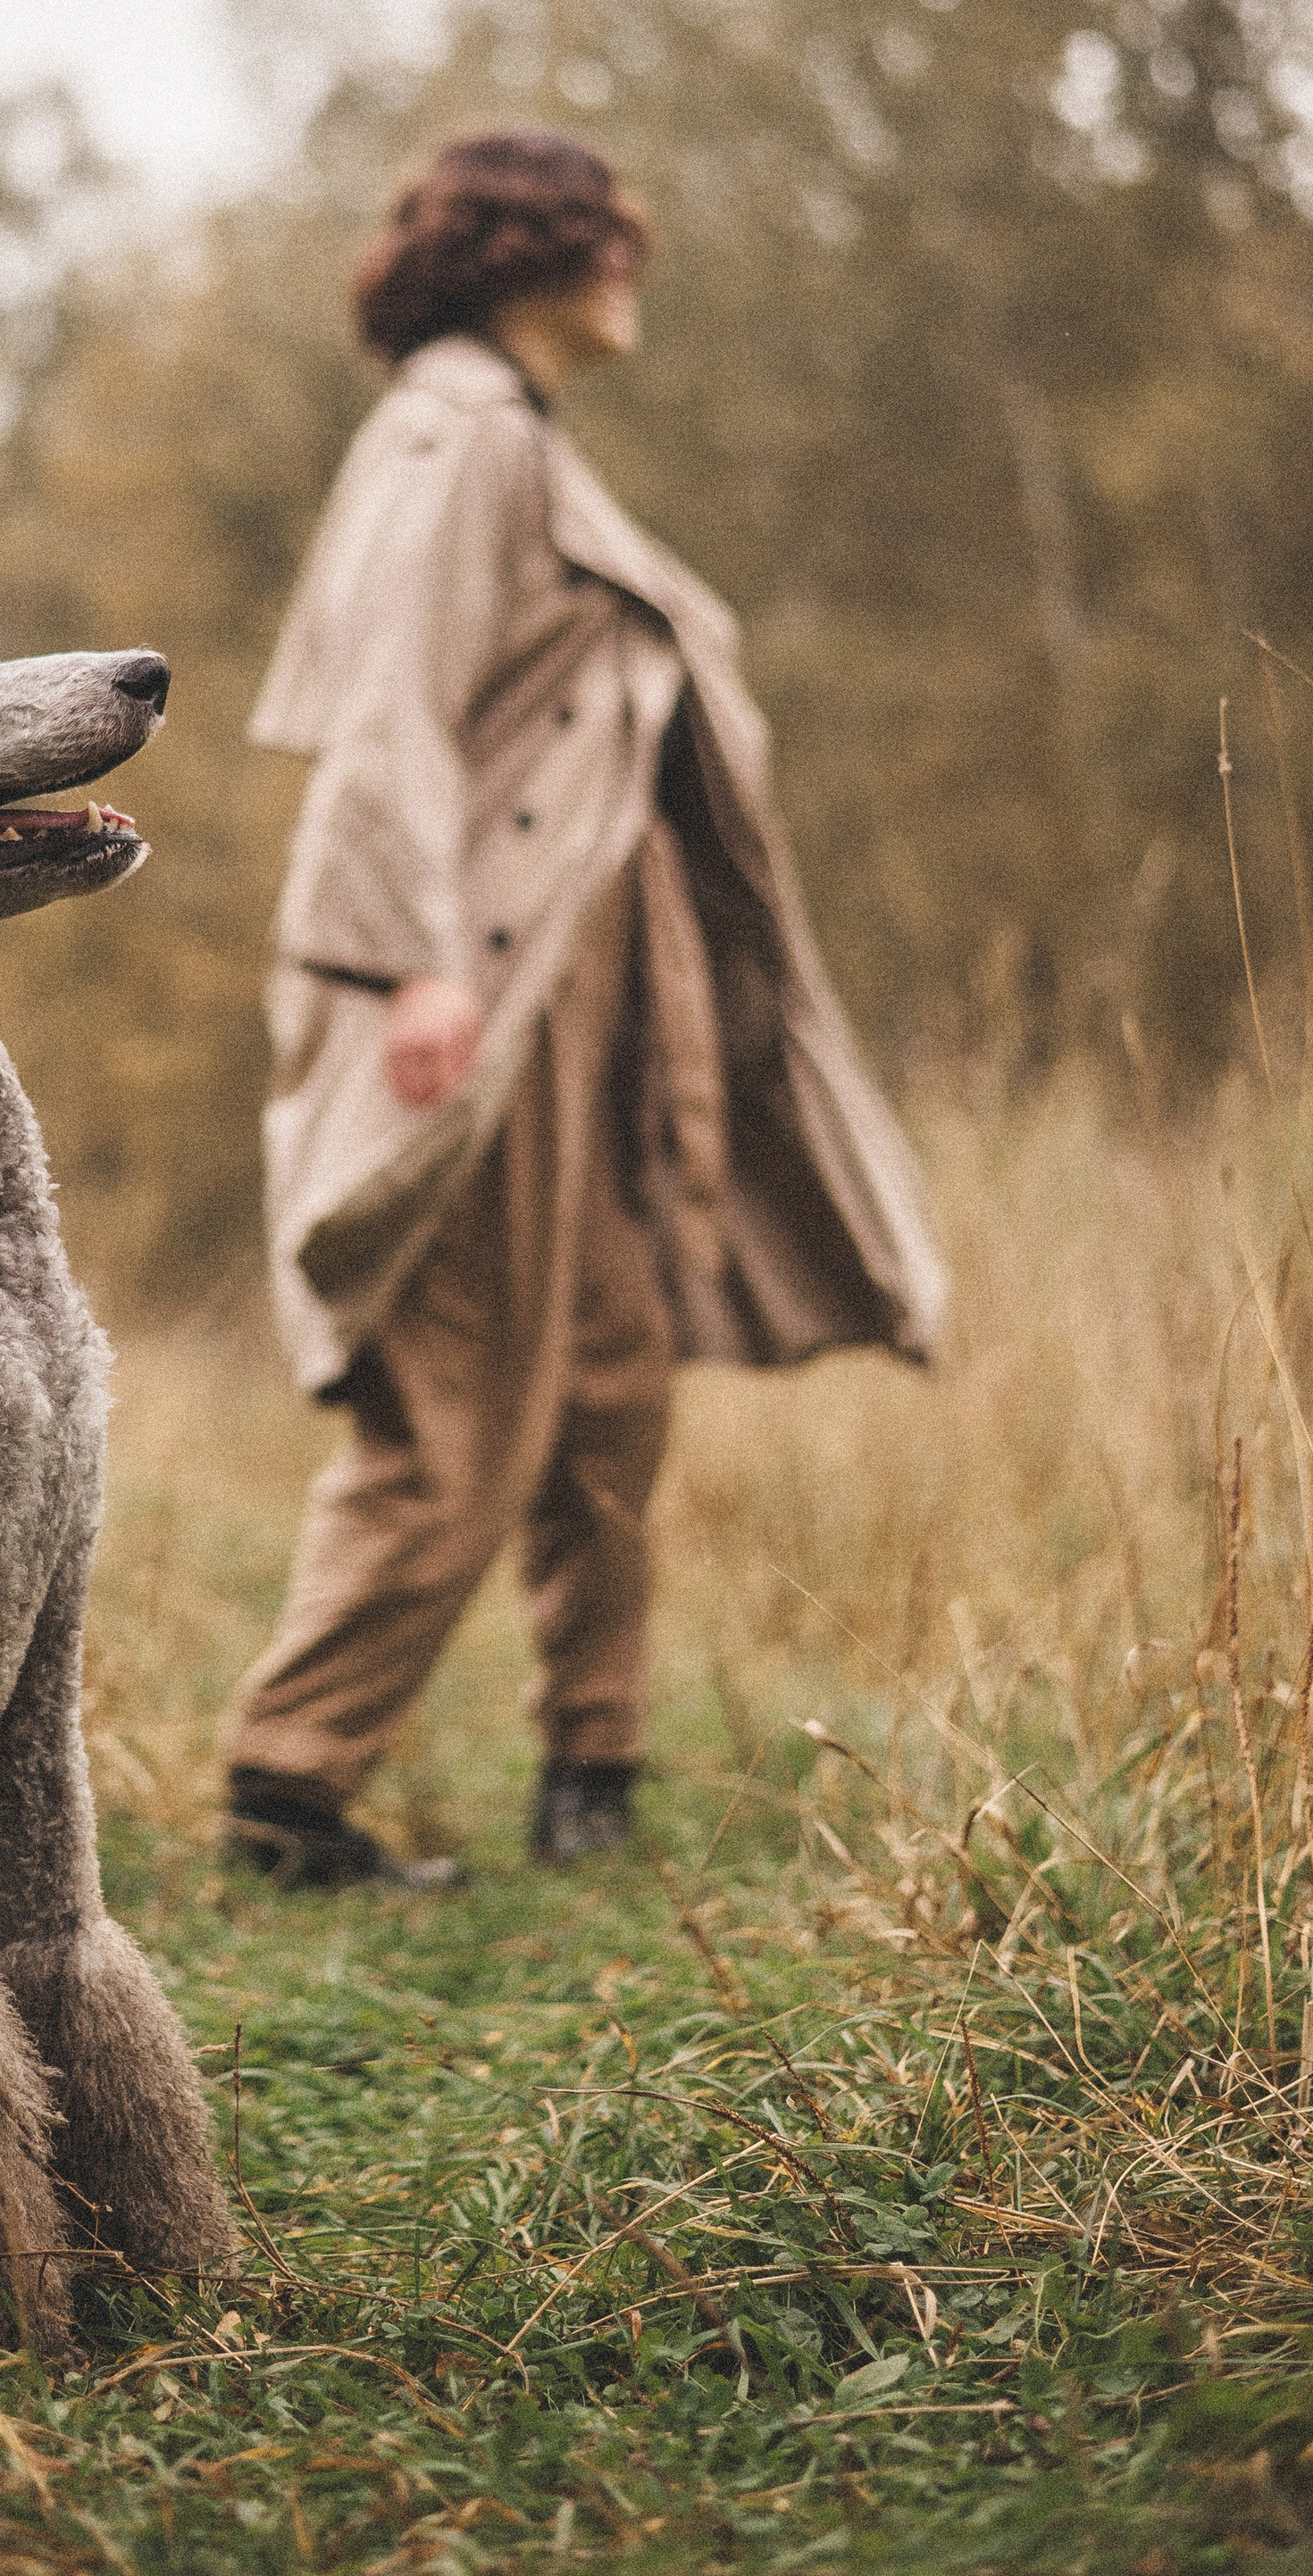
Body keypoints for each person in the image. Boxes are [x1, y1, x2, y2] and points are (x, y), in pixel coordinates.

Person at [221, 130, 947, 1886]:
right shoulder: (455, 430)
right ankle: (285, 1790)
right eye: (602, 240)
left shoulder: (515, 438)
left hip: (595, 995)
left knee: (613, 1378)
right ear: (519, 257)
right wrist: (415, 962)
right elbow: (387, 706)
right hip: (478, 988)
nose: (632, 267)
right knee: (454, 1399)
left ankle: (589, 1772)